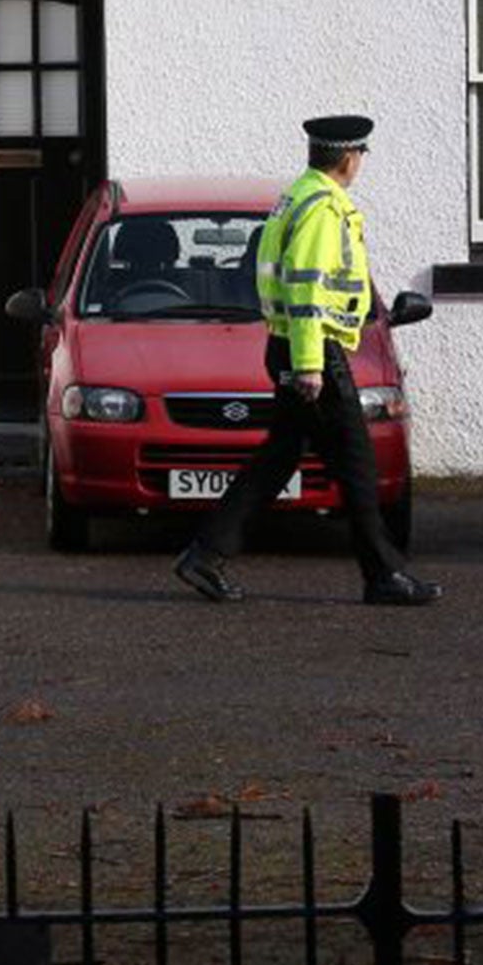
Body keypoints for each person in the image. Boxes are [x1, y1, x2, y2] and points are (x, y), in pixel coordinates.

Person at [173, 116, 443, 607]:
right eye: (359, 156)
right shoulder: (322, 207)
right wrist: (310, 366)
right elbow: (304, 289)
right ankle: (383, 575)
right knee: (357, 464)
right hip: (312, 349)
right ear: (348, 158)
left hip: (289, 344)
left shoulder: (295, 195)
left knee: (280, 456)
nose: (358, 164)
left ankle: (205, 555)